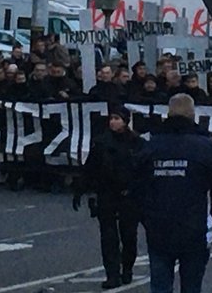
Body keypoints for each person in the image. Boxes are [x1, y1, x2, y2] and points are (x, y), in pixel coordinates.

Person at [136, 93, 212, 293]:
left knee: (160, 284)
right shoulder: (205, 146)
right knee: (191, 285)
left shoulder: (151, 145)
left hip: (158, 225)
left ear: (168, 113)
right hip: (194, 225)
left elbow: (136, 183)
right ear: (192, 114)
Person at [75, 106, 144, 288]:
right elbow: (90, 168)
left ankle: (127, 268)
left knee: (129, 236)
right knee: (108, 237)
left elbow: (143, 170)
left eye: (117, 118)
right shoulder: (102, 142)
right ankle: (112, 274)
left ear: (125, 121)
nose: (113, 121)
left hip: (129, 194)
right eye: (111, 118)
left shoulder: (137, 142)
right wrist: (80, 189)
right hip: (107, 193)